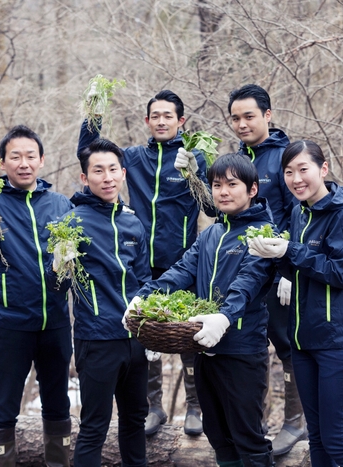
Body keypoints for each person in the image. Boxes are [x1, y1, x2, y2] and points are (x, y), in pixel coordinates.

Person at [77, 88, 215, 436]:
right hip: (142, 265)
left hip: (184, 263)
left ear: (181, 121)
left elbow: (214, 207)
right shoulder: (134, 157)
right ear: (147, 121)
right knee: (142, 337)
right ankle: (153, 406)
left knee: (189, 337)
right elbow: (90, 154)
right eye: (155, 116)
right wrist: (93, 114)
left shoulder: (193, 155)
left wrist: (195, 176)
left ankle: (195, 407)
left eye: (169, 115)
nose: (162, 121)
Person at [128, 154, 277, 467]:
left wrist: (223, 318)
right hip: (203, 349)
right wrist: (146, 296)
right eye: (217, 185)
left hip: (241, 351)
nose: (223, 192)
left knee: (247, 438)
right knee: (217, 433)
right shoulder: (210, 234)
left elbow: (248, 284)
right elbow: (181, 271)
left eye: (232, 185)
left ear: (252, 190)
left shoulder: (262, 235)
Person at [248, 140, 343, 467]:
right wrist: (274, 254)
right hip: (301, 340)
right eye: (289, 172)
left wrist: (290, 251)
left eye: (304, 169)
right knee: (316, 437)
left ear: (323, 169)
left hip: (335, 342)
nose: (296, 178)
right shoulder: (299, 212)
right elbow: (299, 267)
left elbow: (341, 273)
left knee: (337, 440)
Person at [0, 125, 73, 467]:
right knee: (4, 405)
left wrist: (66, 262)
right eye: (15, 157)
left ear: (42, 160)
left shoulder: (60, 204)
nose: (24, 163)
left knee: (58, 403)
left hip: (54, 322)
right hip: (9, 325)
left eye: (30, 156)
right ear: (3, 163)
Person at [49, 138, 152, 467]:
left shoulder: (133, 223)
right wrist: (60, 265)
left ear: (123, 174)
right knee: (94, 426)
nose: (107, 177)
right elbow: (58, 287)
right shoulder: (73, 222)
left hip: (135, 339)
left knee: (136, 420)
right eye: (98, 171)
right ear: (84, 178)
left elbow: (144, 278)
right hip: (97, 338)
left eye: (112, 170)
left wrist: (149, 316)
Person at [228, 84, 304, 455]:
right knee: (250, 344)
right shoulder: (235, 158)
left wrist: (288, 267)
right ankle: (252, 424)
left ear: (267, 116)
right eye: (236, 118)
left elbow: (299, 213)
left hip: (278, 270)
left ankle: (295, 422)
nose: (242, 124)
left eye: (249, 116)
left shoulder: (284, 157)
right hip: (243, 271)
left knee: (286, 343)